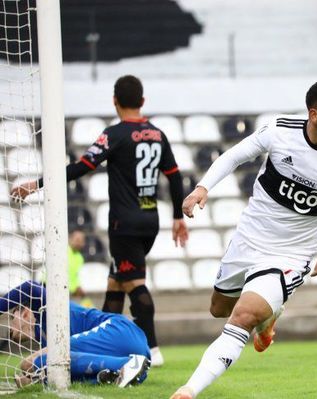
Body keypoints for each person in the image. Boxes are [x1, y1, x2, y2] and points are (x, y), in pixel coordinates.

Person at [170, 80, 317, 399]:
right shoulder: (280, 130)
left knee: (243, 316)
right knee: (219, 308)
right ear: (314, 114)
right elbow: (233, 156)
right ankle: (268, 319)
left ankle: (188, 390)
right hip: (248, 240)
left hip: (291, 257)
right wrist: (202, 187)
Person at [11, 75, 188, 366]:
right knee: (115, 283)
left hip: (124, 223)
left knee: (134, 282)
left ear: (115, 102)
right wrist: (178, 216)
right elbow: (175, 175)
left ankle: (153, 349)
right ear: (142, 102)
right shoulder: (158, 134)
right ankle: (104, 342)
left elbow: (83, 166)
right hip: (150, 220)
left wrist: (37, 184)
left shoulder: (115, 134)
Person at [2, 280, 150, 388]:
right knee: (50, 366)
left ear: (26, 313)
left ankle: (127, 365)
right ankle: (120, 373)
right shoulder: (46, 339)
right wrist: (36, 380)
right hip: (130, 350)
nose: (9, 327)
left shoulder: (48, 309)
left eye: (11, 317)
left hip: (120, 330)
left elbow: (29, 288)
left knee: (34, 362)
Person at [40, 230, 94, 307]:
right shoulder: (63, 251)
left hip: (64, 289)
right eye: (77, 240)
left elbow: (74, 276)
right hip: (49, 285)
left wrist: (77, 287)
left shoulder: (80, 258)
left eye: (81, 241)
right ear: (70, 239)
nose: (79, 243)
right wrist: (75, 288)